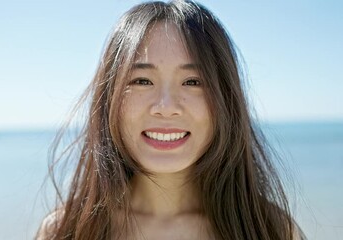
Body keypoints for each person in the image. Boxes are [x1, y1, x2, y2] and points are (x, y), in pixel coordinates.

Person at [36, 0, 305, 239]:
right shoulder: (66, 230)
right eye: (142, 81)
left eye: (192, 81)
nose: (165, 107)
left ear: (225, 100)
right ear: (109, 99)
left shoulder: (270, 230)